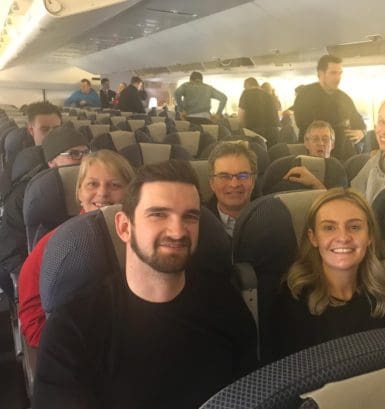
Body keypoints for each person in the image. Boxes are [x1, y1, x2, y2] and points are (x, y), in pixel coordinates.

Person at [33, 160, 257, 408]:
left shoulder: (224, 302)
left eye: (190, 217)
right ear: (124, 227)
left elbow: (252, 393)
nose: (177, 231)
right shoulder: (73, 327)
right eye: (158, 214)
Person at [18, 150, 135, 348]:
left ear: (130, 193)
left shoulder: (144, 237)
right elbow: (34, 323)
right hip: (79, 348)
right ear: (79, 192)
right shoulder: (58, 243)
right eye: (92, 184)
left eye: (115, 185)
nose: (103, 193)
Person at [272, 188, 385, 358]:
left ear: (370, 236)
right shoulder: (293, 298)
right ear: (313, 238)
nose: (343, 237)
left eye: (355, 227)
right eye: (329, 228)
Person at [0, 126, 89, 299]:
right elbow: (10, 248)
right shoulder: (26, 195)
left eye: (87, 153)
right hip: (42, 274)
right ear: (52, 161)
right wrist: (30, 280)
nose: (84, 160)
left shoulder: (100, 189)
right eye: (74, 154)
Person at [292, 55, 366, 160]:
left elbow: (359, 122)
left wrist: (361, 132)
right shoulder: (305, 96)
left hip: (344, 155)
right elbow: (303, 126)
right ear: (320, 74)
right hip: (315, 155)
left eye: (340, 73)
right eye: (333, 73)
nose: (338, 77)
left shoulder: (345, 98)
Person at [207, 142, 257, 237]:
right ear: (212, 183)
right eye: (224, 176)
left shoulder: (271, 220)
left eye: (243, 175)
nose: (234, 184)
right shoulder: (199, 224)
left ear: (253, 181)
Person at [282, 120, 336, 189]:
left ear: (333, 144)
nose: (321, 143)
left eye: (325, 139)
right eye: (315, 139)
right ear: (306, 143)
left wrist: (315, 183)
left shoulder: (338, 171)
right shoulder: (294, 167)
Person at [238, 77, 279, 146]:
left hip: (255, 131)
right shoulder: (268, 95)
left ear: (247, 85)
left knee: (258, 154)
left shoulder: (246, 93)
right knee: (272, 154)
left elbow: (241, 115)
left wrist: (243, 129)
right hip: (273, 131)